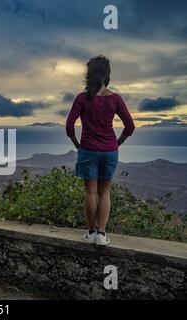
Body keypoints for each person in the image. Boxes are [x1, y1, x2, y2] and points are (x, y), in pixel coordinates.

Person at [65, 55, 135, 246]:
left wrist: (78, 145)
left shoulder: (82, 98)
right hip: (109, 151)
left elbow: (69, 126)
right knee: (105, 192)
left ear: (89, 75)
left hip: (88, 149)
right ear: (107, 75)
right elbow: (130, 126)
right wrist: (116, 144)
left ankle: (90, 232)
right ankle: (102, 234)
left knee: (90, 192)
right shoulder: (116, 99)